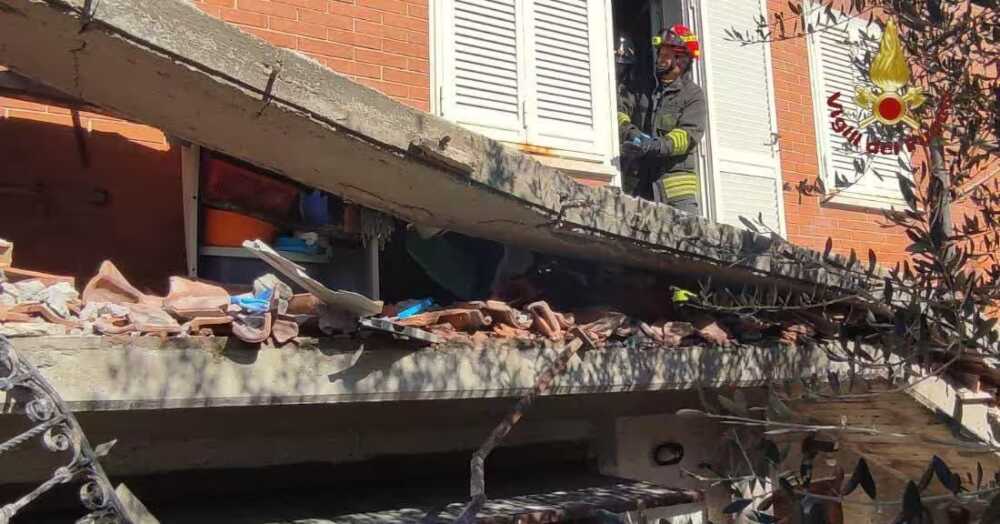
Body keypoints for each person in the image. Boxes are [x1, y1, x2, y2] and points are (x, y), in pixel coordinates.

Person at [619, 24, 706, 215]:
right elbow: (618, 113)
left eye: (666, 55)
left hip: (676, 195)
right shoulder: (641, 87)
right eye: (660, 54)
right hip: (639, 186)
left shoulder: (693, 96)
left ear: (682, 60)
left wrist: (655, 146)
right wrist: (631, 133)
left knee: (684, 242)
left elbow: (688, 135)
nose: (660, 59)